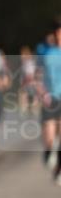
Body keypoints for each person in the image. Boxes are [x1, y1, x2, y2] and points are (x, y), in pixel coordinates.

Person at [39, 19, 61, 185]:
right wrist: (42, 92)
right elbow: (36, 76)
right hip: (50, 98)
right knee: (50, 135)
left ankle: (58, 170)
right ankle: (48, 152)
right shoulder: (45, 52)